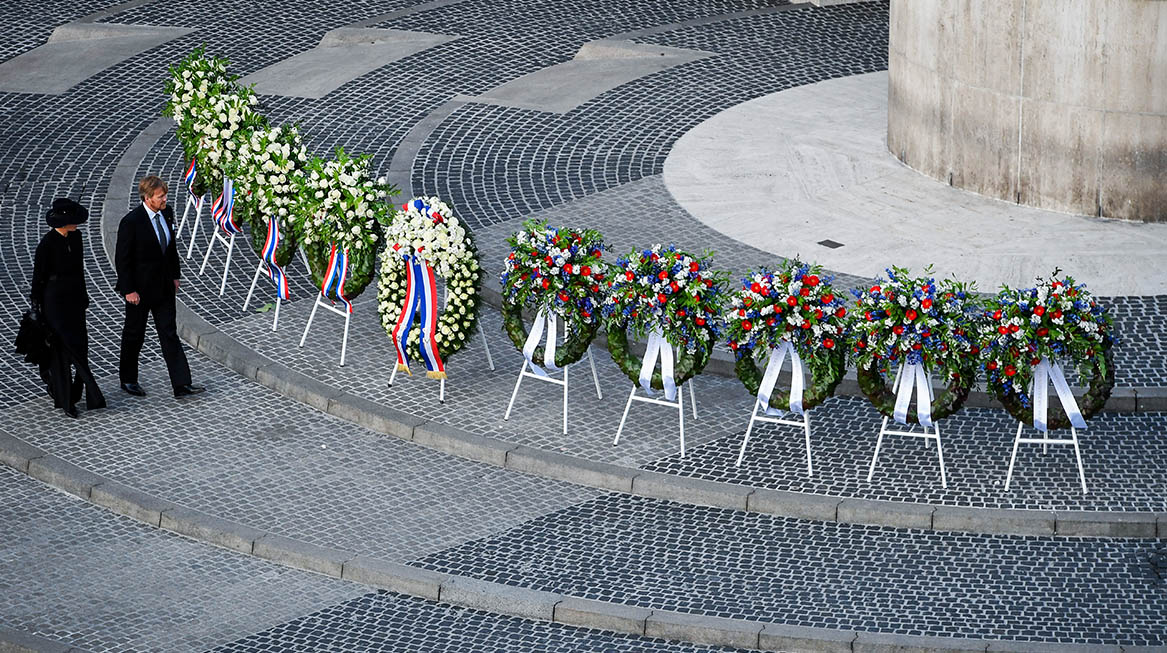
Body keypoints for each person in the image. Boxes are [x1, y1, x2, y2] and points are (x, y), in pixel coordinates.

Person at [115, 175, 204, 398]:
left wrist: (175, 275)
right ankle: (128, 378)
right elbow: (123, 259)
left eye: (165, 195)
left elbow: (171, 248)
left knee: (169, 333)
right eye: (160, 196)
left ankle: (181, 384)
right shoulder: (131, 222)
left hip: (163, 286)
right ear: (147, 198)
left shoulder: (167, 212)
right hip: (140, 290)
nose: (165, 199)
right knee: (135, 334)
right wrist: (128, 290)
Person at [30, 198, 106, 418]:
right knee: (63, 351)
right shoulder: (46, 245)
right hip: (54, 303)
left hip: (74, 301)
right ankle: (67, 401)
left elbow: (79, 270)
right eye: (73, 221)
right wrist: (36, 307)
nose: (77, 225)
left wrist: (83, 296)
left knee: (81, 347)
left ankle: (78, 392)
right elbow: (38, 278)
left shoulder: (77, 237)